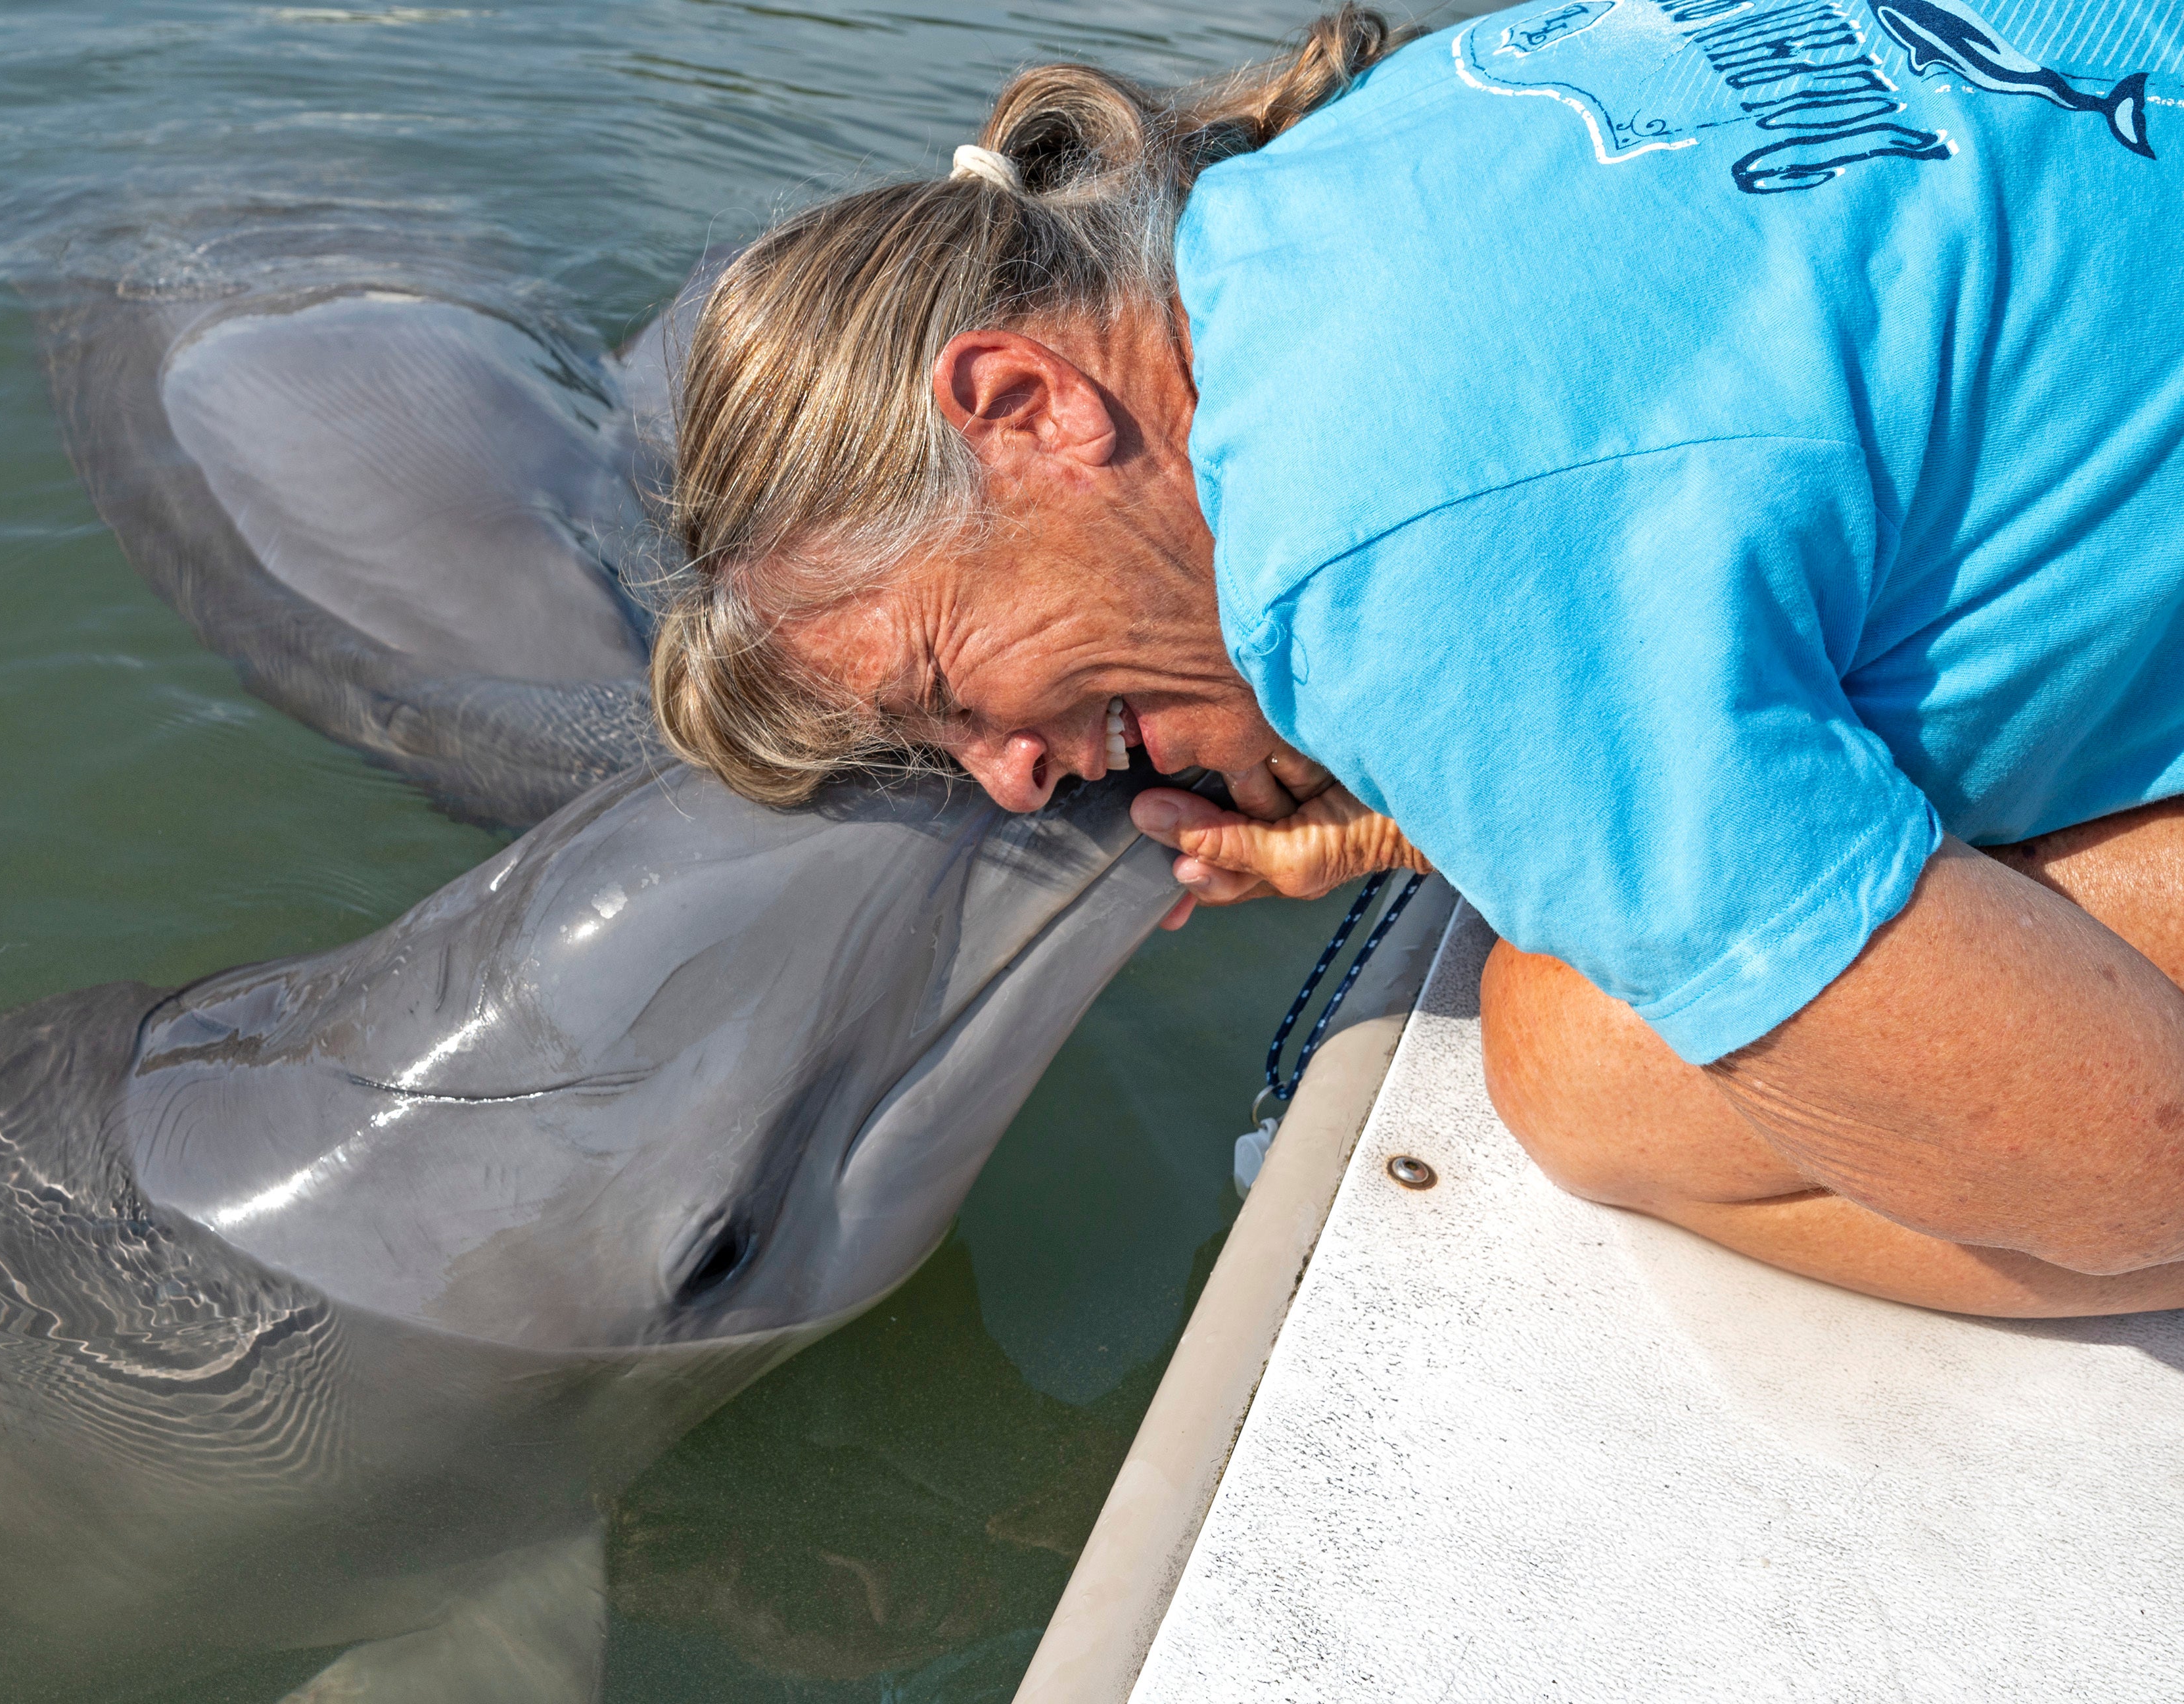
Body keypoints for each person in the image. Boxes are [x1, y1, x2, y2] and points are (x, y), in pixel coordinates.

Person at [647, 1, 2184, 1317]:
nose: (1008, 773)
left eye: (940, 684)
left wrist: (1458, 739)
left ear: (1026, 404)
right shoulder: (1361, 155)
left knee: (1583, 1064)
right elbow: (1656, 488)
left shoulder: (1362, 561)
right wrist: (1412, 813)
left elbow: (2128, 1158)